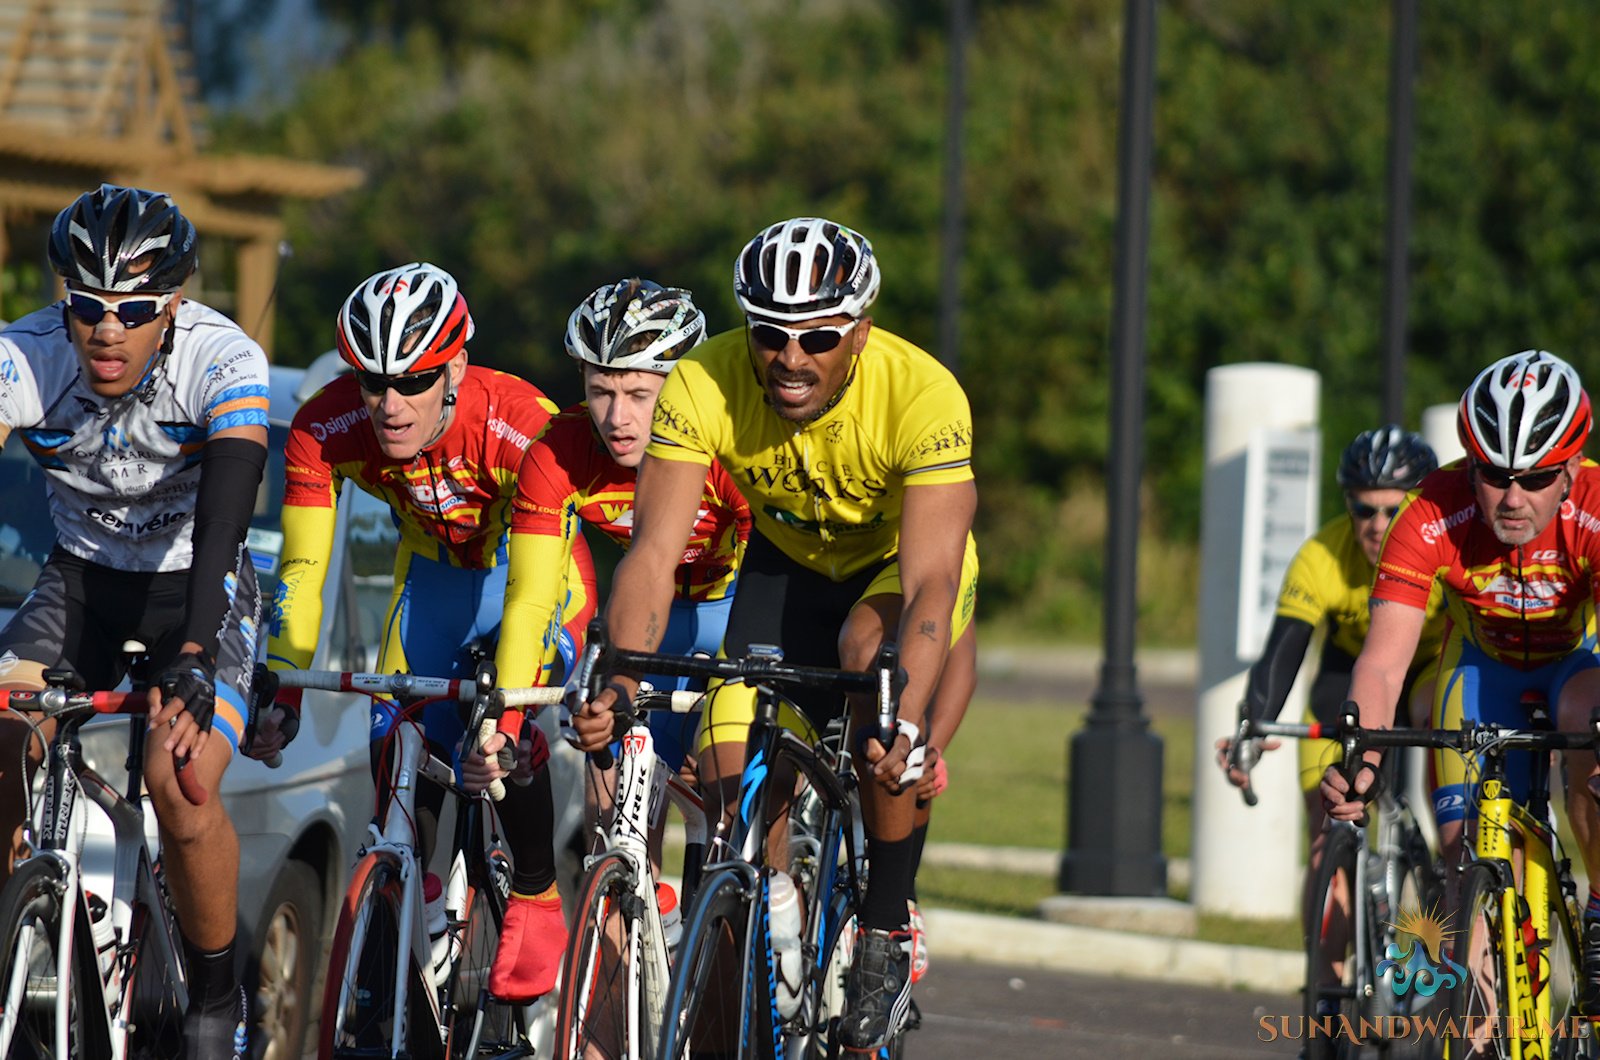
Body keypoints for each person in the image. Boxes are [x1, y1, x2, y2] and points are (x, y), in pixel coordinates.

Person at [571, 217, 979, 1052]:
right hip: (786, 565)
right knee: (727, 799)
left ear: (860, 333)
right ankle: (762, 927)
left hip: (894, 571)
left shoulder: (923, 393)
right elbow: (652, 553)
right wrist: (620, 678)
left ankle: (885, 927)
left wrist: (904, 714)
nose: (791, 357)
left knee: (873, 670)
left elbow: (936, 580)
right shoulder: (703, 380)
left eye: (819, 337)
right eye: (769, 334)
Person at [251, 262, 596, 1002]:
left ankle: (535, 897)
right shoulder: (324, 425)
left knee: (507, 730)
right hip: (434, 581)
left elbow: (538, 589)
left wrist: (507, 708)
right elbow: (303, 569)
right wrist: (284, 690)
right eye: (374, 382)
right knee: (398, 743)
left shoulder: (519, 421)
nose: (392, 403)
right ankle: (412, 903)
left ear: (456, 369)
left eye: (416, 381)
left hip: (531, 575)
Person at [0, 184, 268, 1058]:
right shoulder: (23, 357)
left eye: (134, 311)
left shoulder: (223, 360)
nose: (107, 331)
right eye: (86, 307)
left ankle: (216, 1002)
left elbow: (229, 514)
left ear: (176, 307)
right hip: (82, 581)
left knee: (178, 775)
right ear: (61, 302)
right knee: (2, 734)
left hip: (197, 583)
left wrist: (191, 653)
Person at [1320, 350, 1600, 1009]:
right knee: (1461, 862)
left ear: (1570, 471)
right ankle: (1476, 1026)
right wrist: (1357, 752)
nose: (1511, 497)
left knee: (1590, 724)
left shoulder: (1595, 505)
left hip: (1574, 668)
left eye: (1534, 478)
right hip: (1479, 673)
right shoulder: (1429, 514)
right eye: (1493, 474)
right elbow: (1384, 662)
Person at [1217, 425, 1443, 1013]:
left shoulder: (1446, 546)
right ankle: (1324, 993)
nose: (1375, 524)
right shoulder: (1322, 554)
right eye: (1362, 509)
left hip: (1429, 669)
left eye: (1394, 510)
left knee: (1437, 737)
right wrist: (1253, 726)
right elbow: (1282, 653)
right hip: (1349, 679)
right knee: (1326, 836)